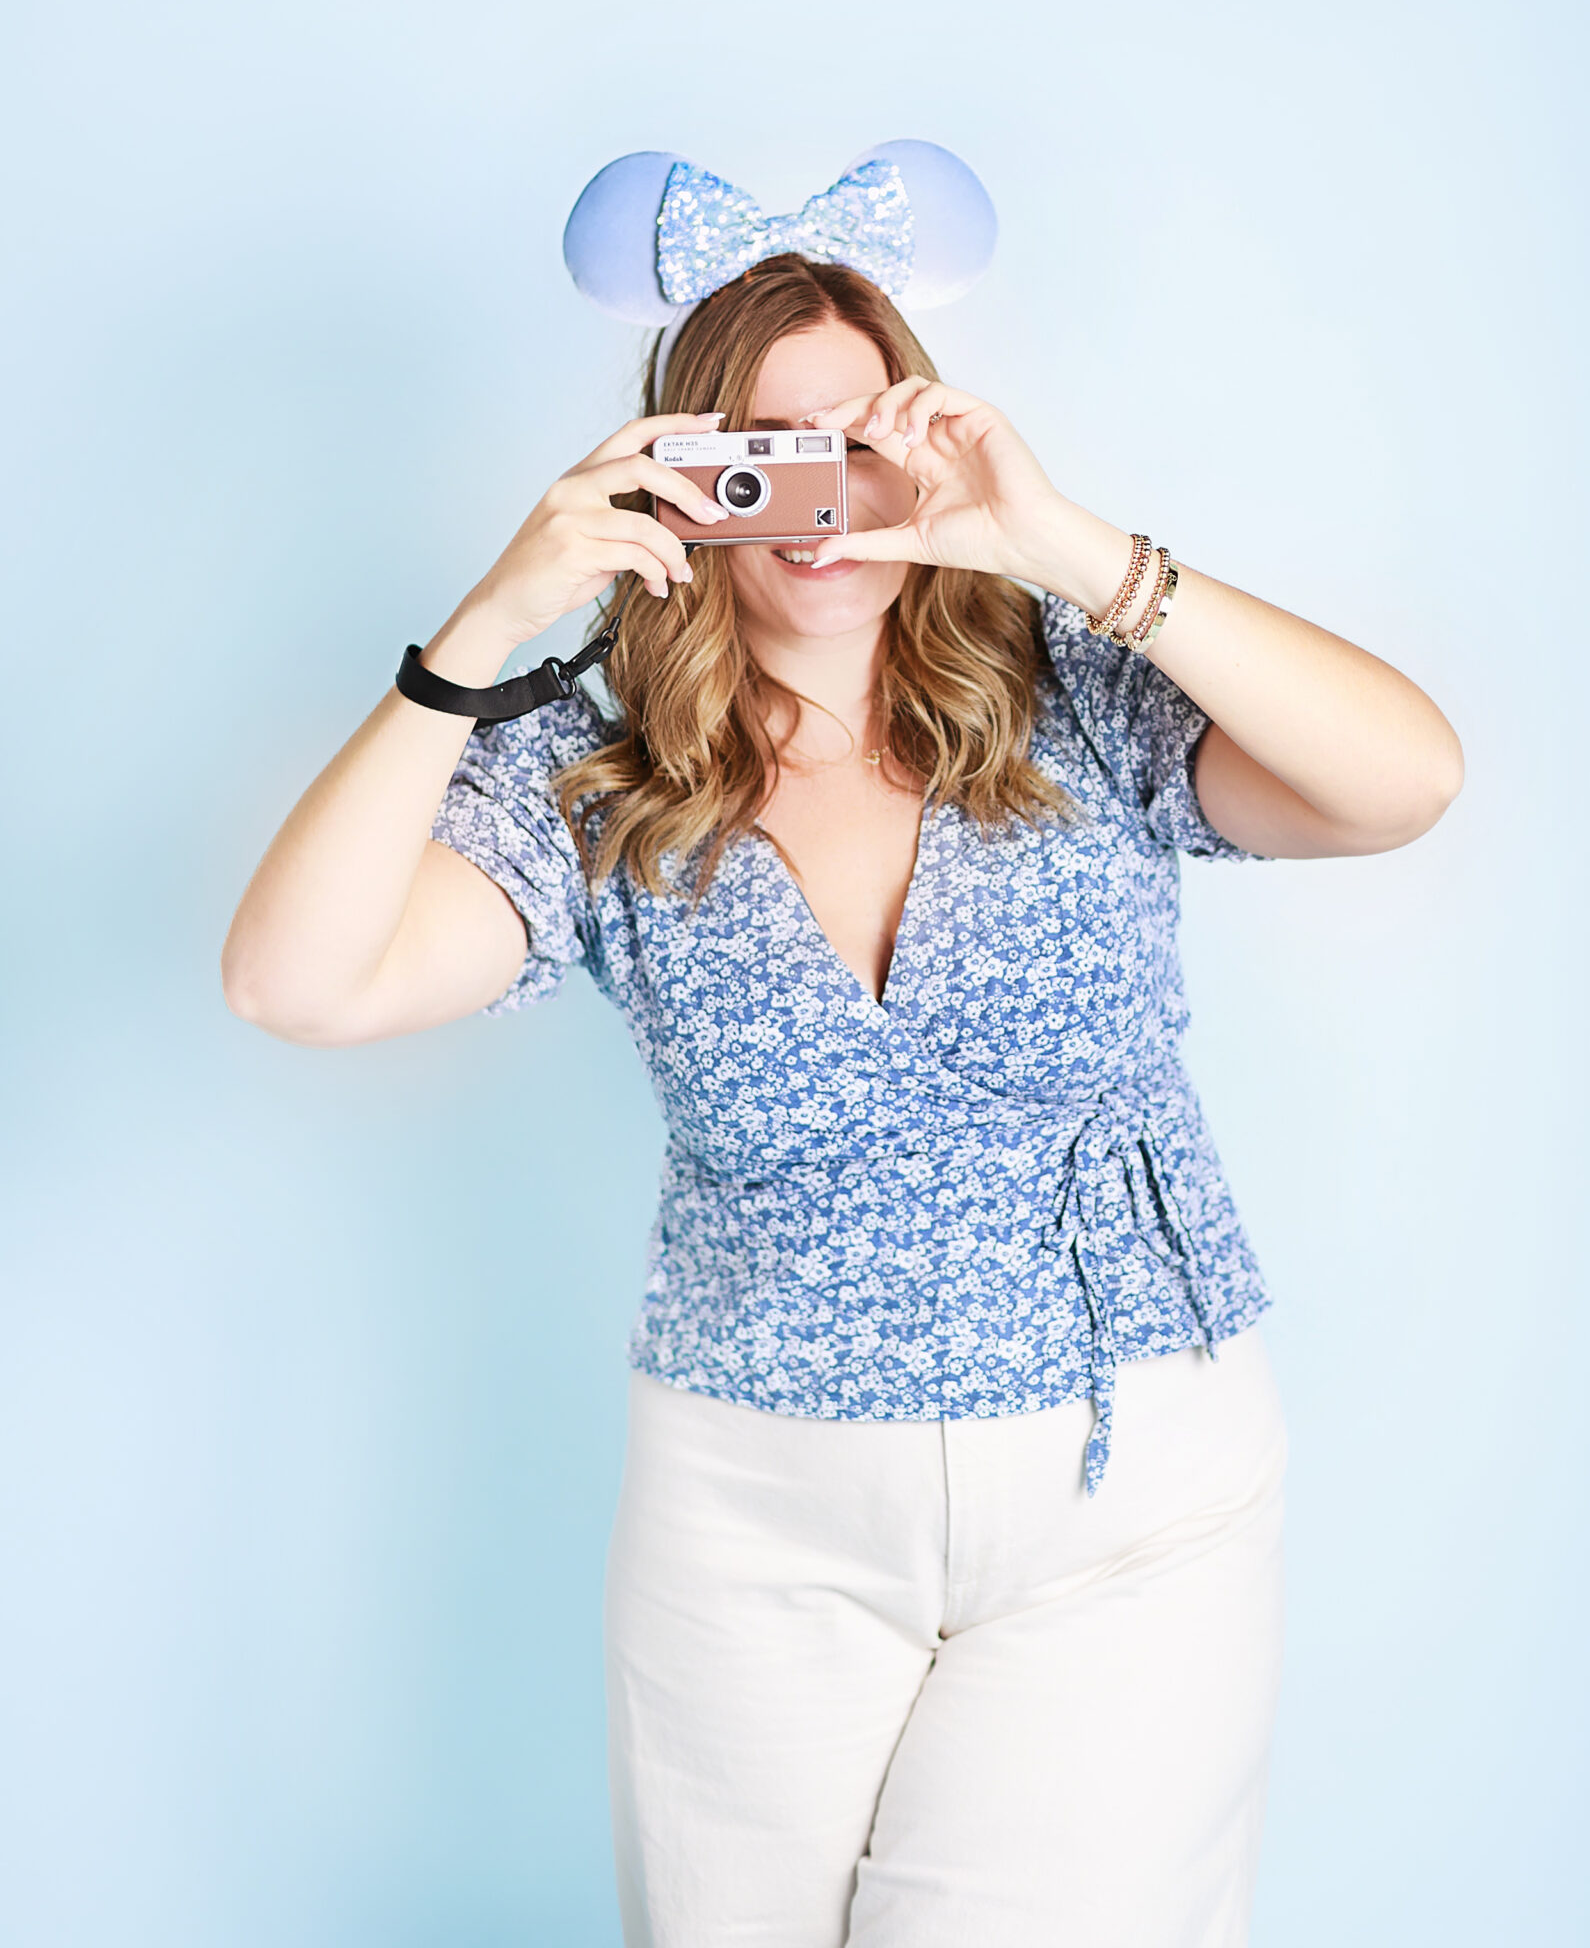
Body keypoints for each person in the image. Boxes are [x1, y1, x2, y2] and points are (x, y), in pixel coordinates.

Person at [223, 156, 1462, 1948]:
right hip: (754, 1523)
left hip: (1127, 1493)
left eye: (858, 440)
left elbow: (1402, 782)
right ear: (673, 478)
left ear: (930, 450)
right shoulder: (594, 773)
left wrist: (1068, 549)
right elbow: (298, 981)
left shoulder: (1074, 690)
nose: (810, 498)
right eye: (753, 452)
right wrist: (489, 623)